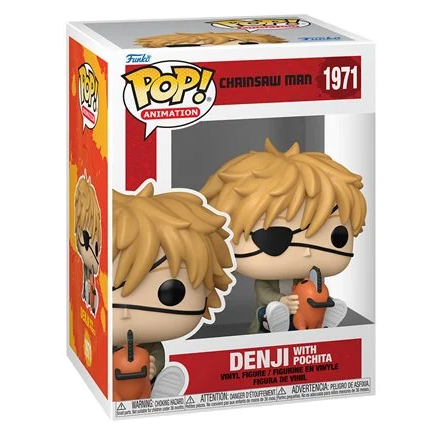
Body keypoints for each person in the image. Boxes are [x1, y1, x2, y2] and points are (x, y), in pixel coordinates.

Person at [201, 139, 367, 333]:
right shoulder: (267, 281)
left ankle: (323, 317)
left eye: (337, 236)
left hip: (303, 318)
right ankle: (273, 321)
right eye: (275, 236)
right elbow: (262, 292)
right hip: (270, 314)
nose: (307, 251)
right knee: (269, 310)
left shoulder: (307, 277)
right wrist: (281, 300)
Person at [112, 182, 234, 398]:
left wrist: (154, 366)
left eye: (170, 292)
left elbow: (157, 353)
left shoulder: (150, 343)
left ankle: (156, 390)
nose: (127, 311)